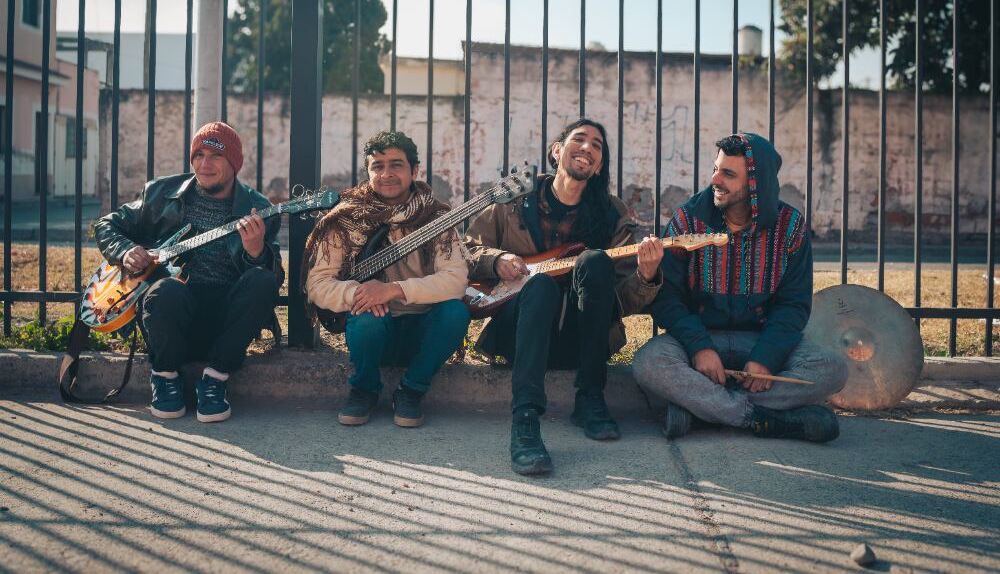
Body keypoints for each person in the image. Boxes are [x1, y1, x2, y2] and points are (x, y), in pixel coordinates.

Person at [464, 118, 664, 475]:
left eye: (597, 146)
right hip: (518, 336)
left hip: (583, 340)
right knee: (538, 286)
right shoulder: (513, 200)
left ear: (599, 164)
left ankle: (590, 398)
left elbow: (624, 301)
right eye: (580, 139)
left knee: (594, 261)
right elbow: (464, 250)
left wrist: (647, 276)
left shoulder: (613, 213)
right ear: (557, 151)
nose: (588, 148)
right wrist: (496, 260)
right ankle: (525, 422)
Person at [633, 133, 848, 443]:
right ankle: (765, 419)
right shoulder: (687, 220)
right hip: (701, 338)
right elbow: (668, 296)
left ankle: (701, 411)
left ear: (755, 185)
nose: (715, 179)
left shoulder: (790, 226)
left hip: (760, 339)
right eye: (716, 168)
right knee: (649, 363)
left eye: (728, 174)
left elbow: (793, 304)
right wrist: (700, 348)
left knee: (832, 369)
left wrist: (767, 358)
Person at [94, 121, 283, 423]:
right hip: (171, 315)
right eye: (199, 155)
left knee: (263, 279)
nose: (204, 164)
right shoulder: (160, 194)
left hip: (225, 322)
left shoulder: (257, 209)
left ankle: (216, 380)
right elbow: (107, 225)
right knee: (167, 288)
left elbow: (272, 276)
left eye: (216, 156)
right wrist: (125, 250)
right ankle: (165, 376)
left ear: (234, 163)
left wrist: (255, 252)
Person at [303, 130, 470, 428]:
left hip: (424, 330)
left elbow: (455, 280)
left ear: (414, 170)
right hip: (373, 334)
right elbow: (317, 284)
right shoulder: (346, 218)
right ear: (368, 172)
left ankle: (411, 390)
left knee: (455, 312)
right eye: (377, 166)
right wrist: (360, 293)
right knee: (366, 317)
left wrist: (393, 290)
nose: (386, 174)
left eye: (396, 164)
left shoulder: (437, 218)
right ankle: (364, 388)